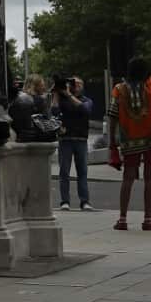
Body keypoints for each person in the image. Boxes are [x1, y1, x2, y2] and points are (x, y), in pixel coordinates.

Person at [107, 30, 151, 232]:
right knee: (150, 179)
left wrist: (112, 144)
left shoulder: (119, 90)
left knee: (128, 179)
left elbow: (112, 117)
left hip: (129, 142)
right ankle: (147, 219)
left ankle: (122, 219)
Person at [52, 76, 94, 212]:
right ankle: (65, 201)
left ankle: (85, 201)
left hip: (81, 139)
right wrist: (56, 94)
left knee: (82, 172)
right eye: (74, 84)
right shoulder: (63, 100)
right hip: (65, 140)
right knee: (64, 172)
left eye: (79, 84)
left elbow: (85, 110)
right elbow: (54, 112)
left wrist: (69, 94)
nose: (76, 86)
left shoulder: (87, 100)